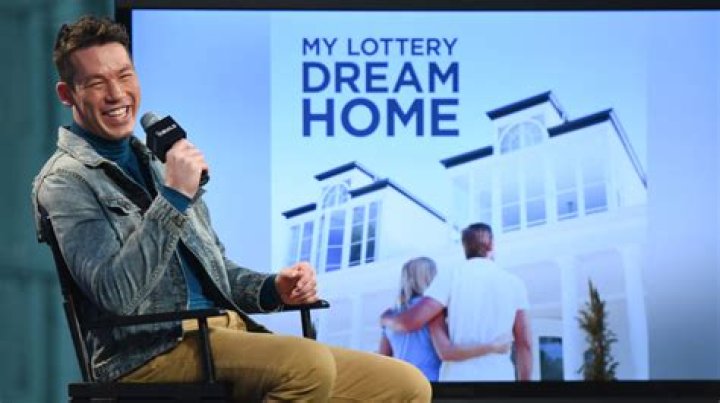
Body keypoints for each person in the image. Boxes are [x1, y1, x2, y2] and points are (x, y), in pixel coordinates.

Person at [32, 15, 431, 402]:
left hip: (228, 333)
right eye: (97, 83)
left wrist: (274, 289)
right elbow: (115, 294)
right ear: (67, 95)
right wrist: (173, 198)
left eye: (124, 76)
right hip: (150, 353)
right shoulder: (66, 181)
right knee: (308, 368)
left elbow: (218, 273)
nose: (117, 94)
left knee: (406, 385)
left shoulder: (159, 163)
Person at [382, 223, 532, 381]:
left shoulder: (450, 277)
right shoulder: (515, 283)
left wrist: (386, 318)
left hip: (458, 380)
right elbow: (525, 343)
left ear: (464, 247)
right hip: (500, 377)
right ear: (492, 245)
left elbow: (412, 322)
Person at [379, 257, 512, 381]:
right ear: (431, 278)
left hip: (400, 386)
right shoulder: (433, 310)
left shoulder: (390, 315)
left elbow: (382, 361)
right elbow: (447, 352)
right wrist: (493, 347)